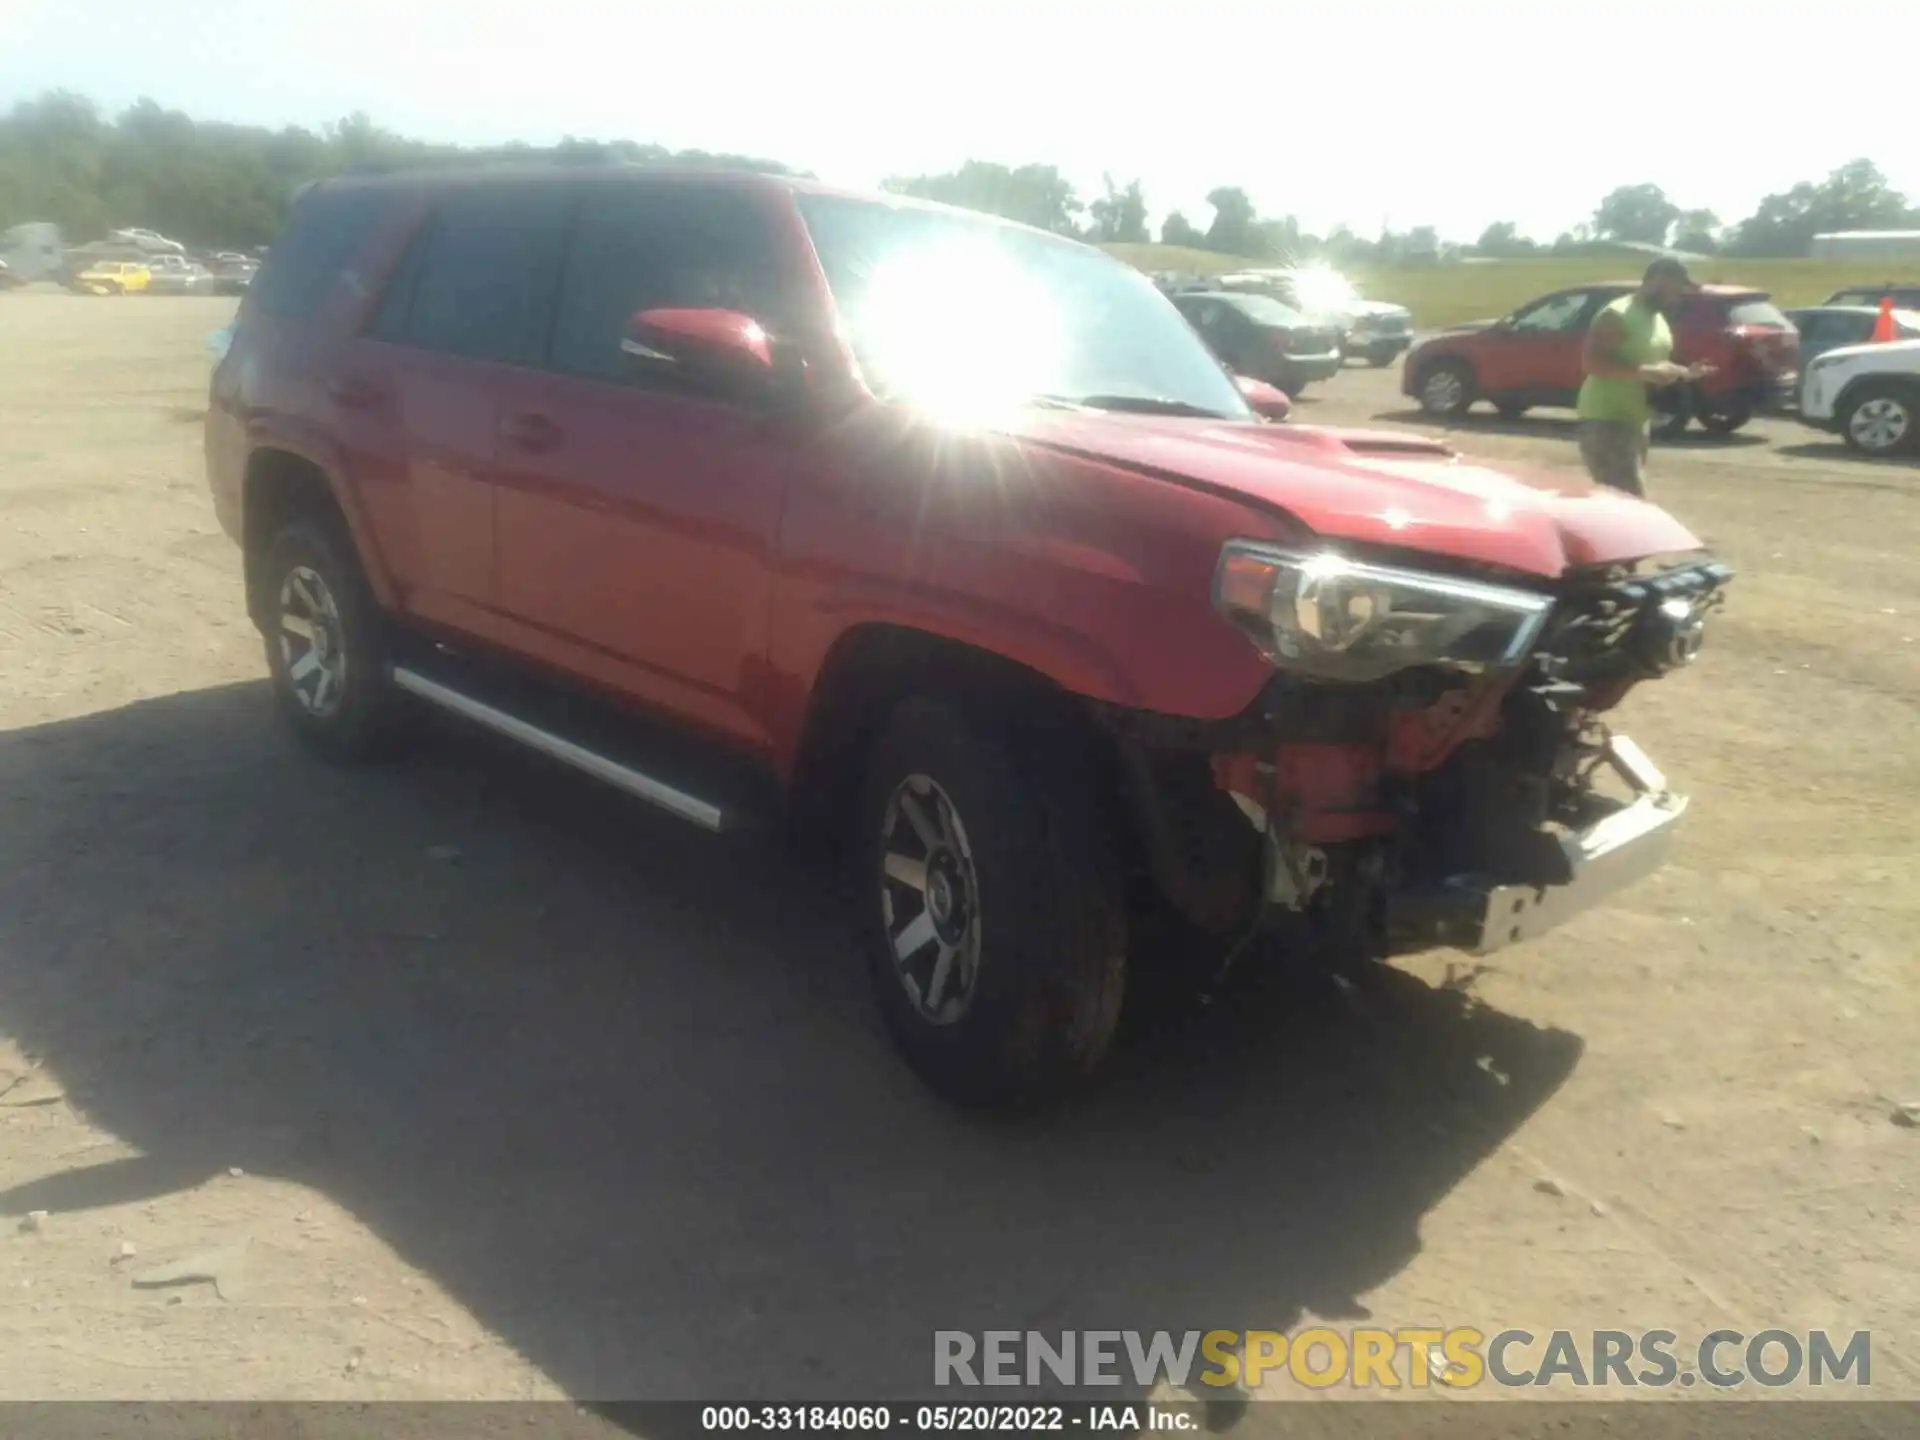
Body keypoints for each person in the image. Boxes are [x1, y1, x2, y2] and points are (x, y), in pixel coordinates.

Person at [1575, 258, 1714, 496]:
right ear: (1658, 280)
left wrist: (1684, 373)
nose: (1679, 296)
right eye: (1677, 288)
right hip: (1607, 422)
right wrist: (1644, 372)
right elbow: (1592, 363)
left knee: (1622, 506)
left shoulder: (1656, 319)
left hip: (1636, 423)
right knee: (1629, 504)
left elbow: (1655, 365)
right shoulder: (1617, 314)